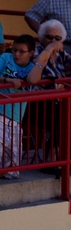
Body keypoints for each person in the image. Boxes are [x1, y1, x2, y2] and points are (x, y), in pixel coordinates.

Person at [26, 20, 71, 176]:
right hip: (36, 103)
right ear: (41, 38)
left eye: (57, 38)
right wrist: (49, 49)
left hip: (58, 102)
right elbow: (37, 64)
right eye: (49, 37)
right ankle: (51, 161)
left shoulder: (62, 54)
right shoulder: (36, 51)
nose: (53, 41)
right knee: (58, 117)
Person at [0, 34, 36, 180]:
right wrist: (7, 80)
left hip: (16, 117)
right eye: (14, 50)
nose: (16, 54)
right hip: (1, 111)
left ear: (31, 53)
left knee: (13, 168)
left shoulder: (33, 68)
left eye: (21, 51)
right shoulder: (5, 58)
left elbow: (34, 79)